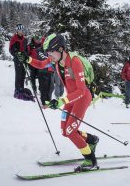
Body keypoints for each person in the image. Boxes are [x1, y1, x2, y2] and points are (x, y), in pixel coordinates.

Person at [17, 34, 99, 170]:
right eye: (48, 52)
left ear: (61, 49)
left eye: (51, 52)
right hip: (71, 98)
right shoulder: (55, 60)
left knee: (70, 132)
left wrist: (61, 101)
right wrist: (28, 58)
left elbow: (82, 90)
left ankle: (91, 160)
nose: (49, 55)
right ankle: (91, 140)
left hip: (82, 98)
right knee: (65, 131)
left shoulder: (75, 62)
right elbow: (40, 64)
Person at [9, 24, 33, 101]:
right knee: (18, 75)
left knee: (23, 74)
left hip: (24, 59)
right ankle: (17, 90)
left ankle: (21, 88)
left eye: (22, 31)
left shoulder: (25, 39)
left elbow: (26, 49)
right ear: (17, 31)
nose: (21, 32)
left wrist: (26, 56)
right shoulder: (14, 39)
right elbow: (11, 50)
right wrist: (17, 53)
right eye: (20, 31)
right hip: (17, 60)